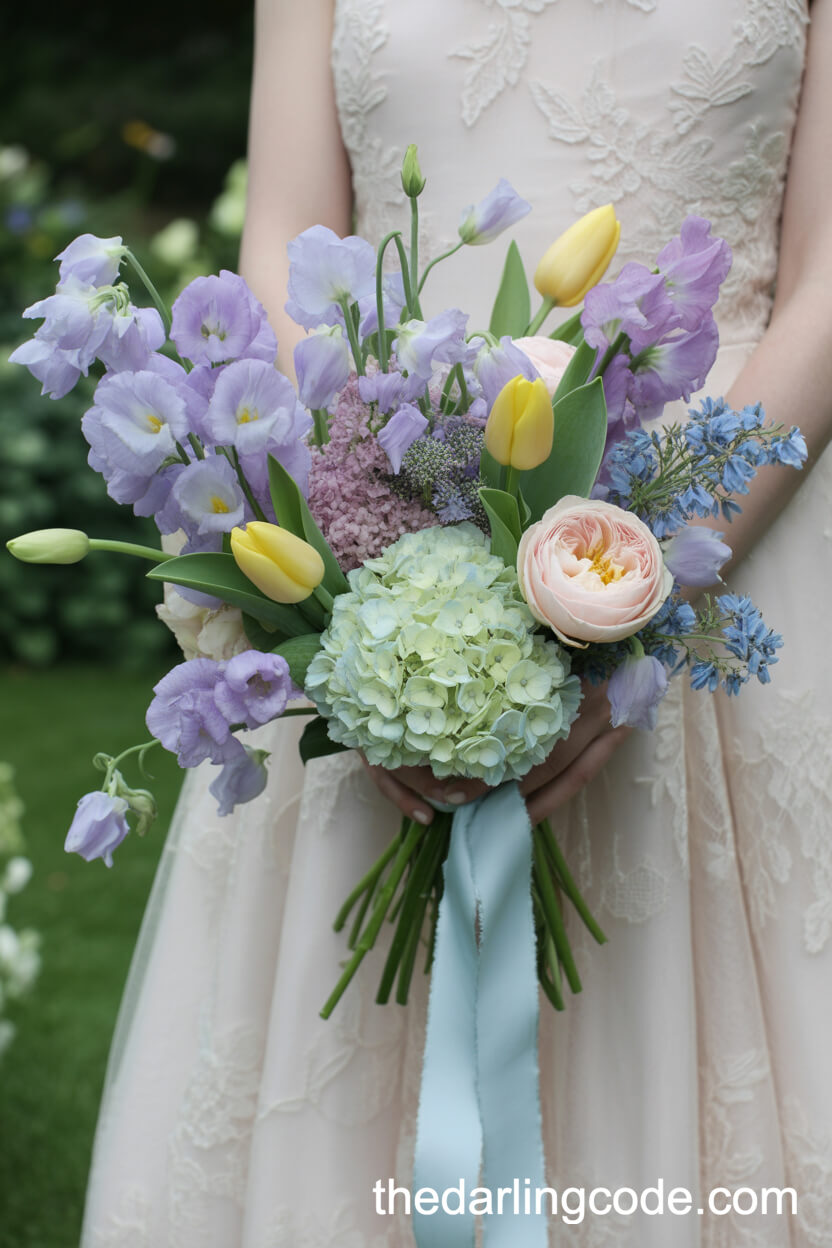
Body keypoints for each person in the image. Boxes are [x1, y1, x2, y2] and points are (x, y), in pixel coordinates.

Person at [80, 0, 832, 1244]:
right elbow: (284, 242)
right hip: (374, 487)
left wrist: (632, 583)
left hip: (735, 511)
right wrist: (360, 601)